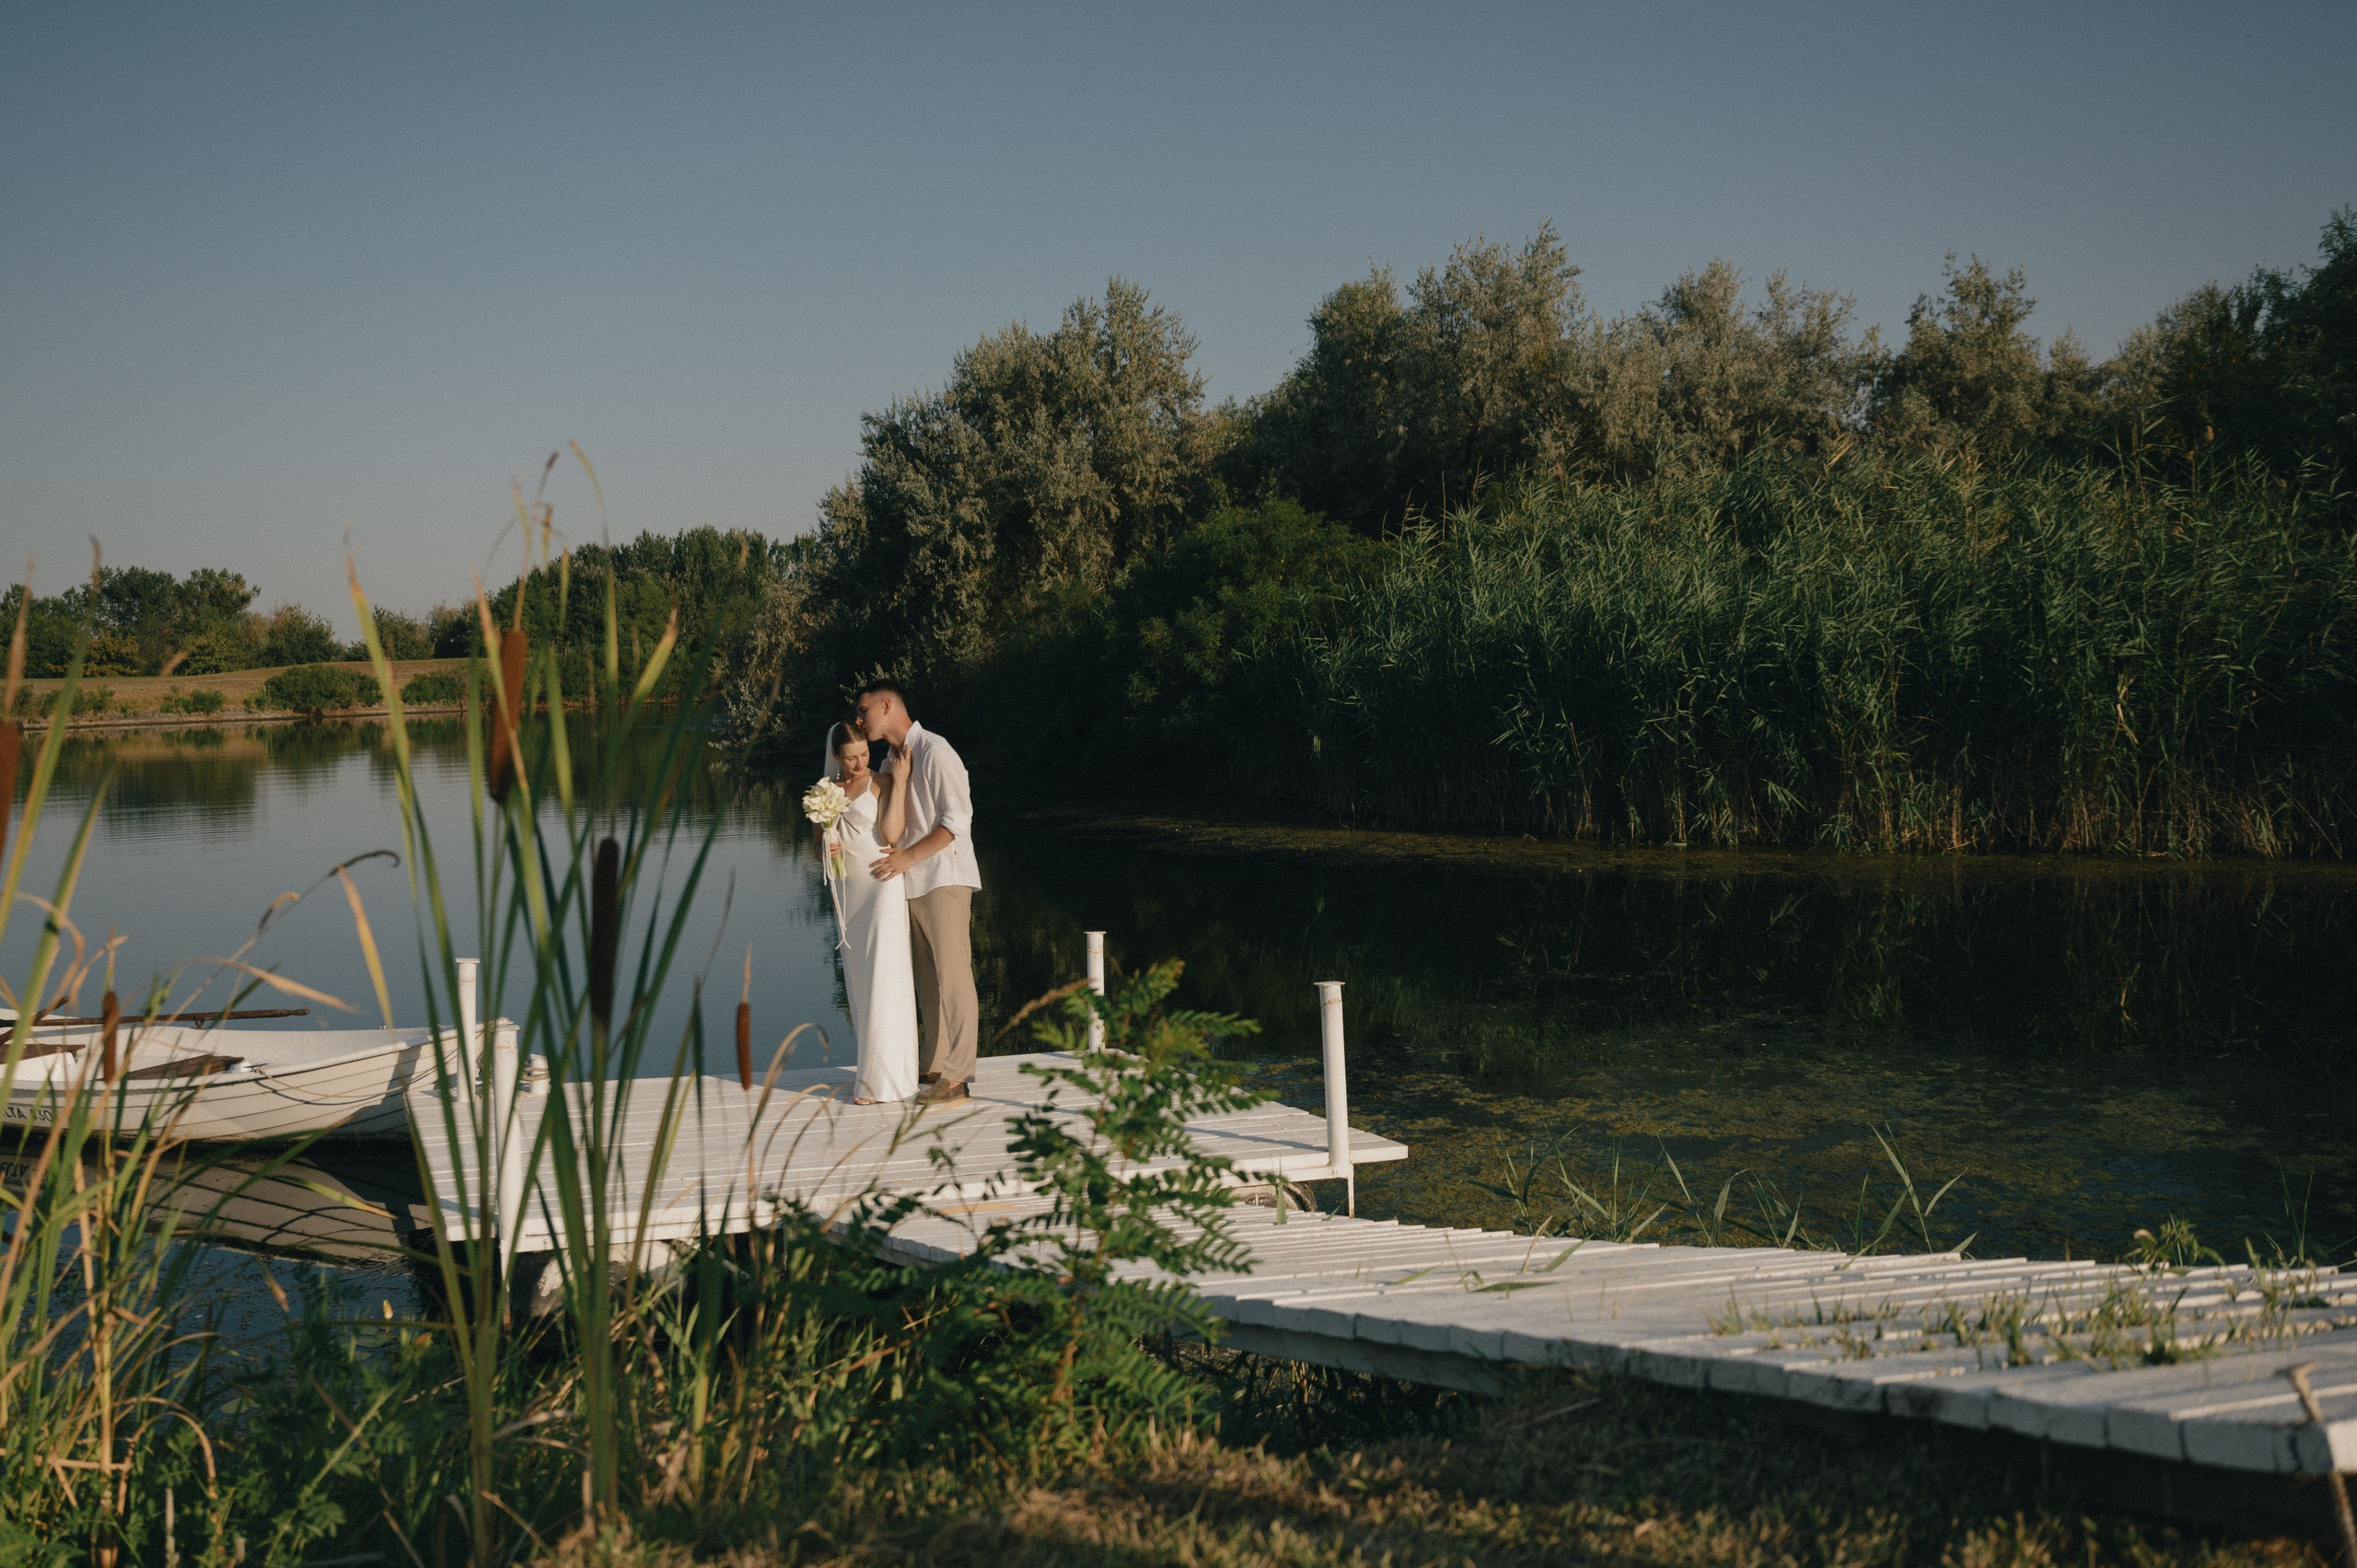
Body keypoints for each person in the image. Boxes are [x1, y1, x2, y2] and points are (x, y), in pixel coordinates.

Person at [853, 680, 979, 1106]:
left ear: (887, 705)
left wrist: (907, 857)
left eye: (864, 709)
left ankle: (959, 1077)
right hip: (912, 883)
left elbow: (957, 822)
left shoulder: (936, 751)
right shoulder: (893, 759)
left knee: (954, 977)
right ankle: (937, 1064)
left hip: (945, 876)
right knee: (927, 981)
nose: (860, 718)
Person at [815, 721, 920, 1103]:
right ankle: (875, 1071)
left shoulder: (883, 781)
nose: (860, 763)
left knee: (883, 975)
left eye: (864, 755)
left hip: (881, 883)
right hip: (849, 891)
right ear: (835, 757)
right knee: (859, 980)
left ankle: (883, 1083)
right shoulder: (824, 792)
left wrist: (902, 780)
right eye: (852, 757)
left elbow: (892, 835)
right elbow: (818, 852)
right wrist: (829, 846)